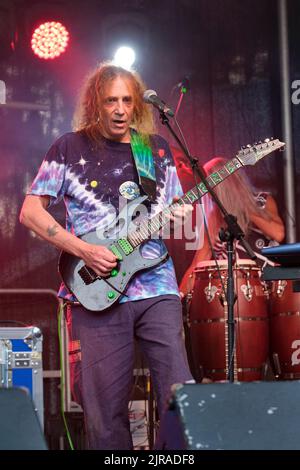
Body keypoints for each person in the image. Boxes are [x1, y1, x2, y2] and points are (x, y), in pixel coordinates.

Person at [19, 62, 194, 450]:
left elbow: (169, 213)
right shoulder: (68, 147)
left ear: (137, 105)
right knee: (104, 411)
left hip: (156, 284)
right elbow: (30, 212)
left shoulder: (155, 150)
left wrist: (177, 216)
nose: (119, 109)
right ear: (95, 103)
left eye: (127, 101)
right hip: (96, 290)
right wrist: (84, 249)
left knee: (180, 394)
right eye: (111, 100)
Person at [179, 156, 285, 297]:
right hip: (233, 293)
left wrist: (242, 205)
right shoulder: (214, 218)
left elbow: (278, 234)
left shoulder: (262, 200)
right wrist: (177, 296)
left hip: (268, 287)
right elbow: (197, 265)